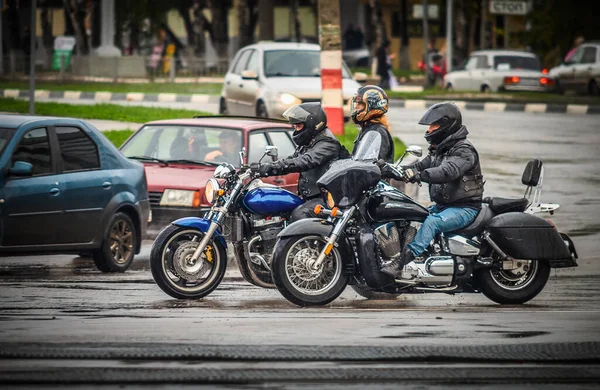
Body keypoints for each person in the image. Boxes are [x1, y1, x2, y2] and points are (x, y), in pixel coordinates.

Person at [380, 102, 484, 277]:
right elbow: (419, 166)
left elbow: (447, 171)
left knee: (432, 222)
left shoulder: (464, 151)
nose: (430, 130)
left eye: (433, 126)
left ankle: (402, 262)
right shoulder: (440, 150)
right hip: (444, 206)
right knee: (412, 214)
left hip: (465, 208)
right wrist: (389, 169)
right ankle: (404, 255)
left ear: (446, 126)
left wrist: (418, 175)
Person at [250, 102, 349, 221]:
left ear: (312, 123)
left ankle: (306, 240)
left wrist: (269, 168)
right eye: (295, 127)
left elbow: (305, 161)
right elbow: (291, 159)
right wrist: (265, 167)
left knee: (299, 214)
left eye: (299, 126)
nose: (296, 130)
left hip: (327, 200)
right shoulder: (309, 143)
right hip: (310, 198)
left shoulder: (327, 143)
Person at [351, 85, 394, 163]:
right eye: (356, 103)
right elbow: (358, 159)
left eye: (360, 104)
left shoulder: (378, 131)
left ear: (372, 106)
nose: (356, 107)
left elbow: (371, 164)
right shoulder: (367, 128)